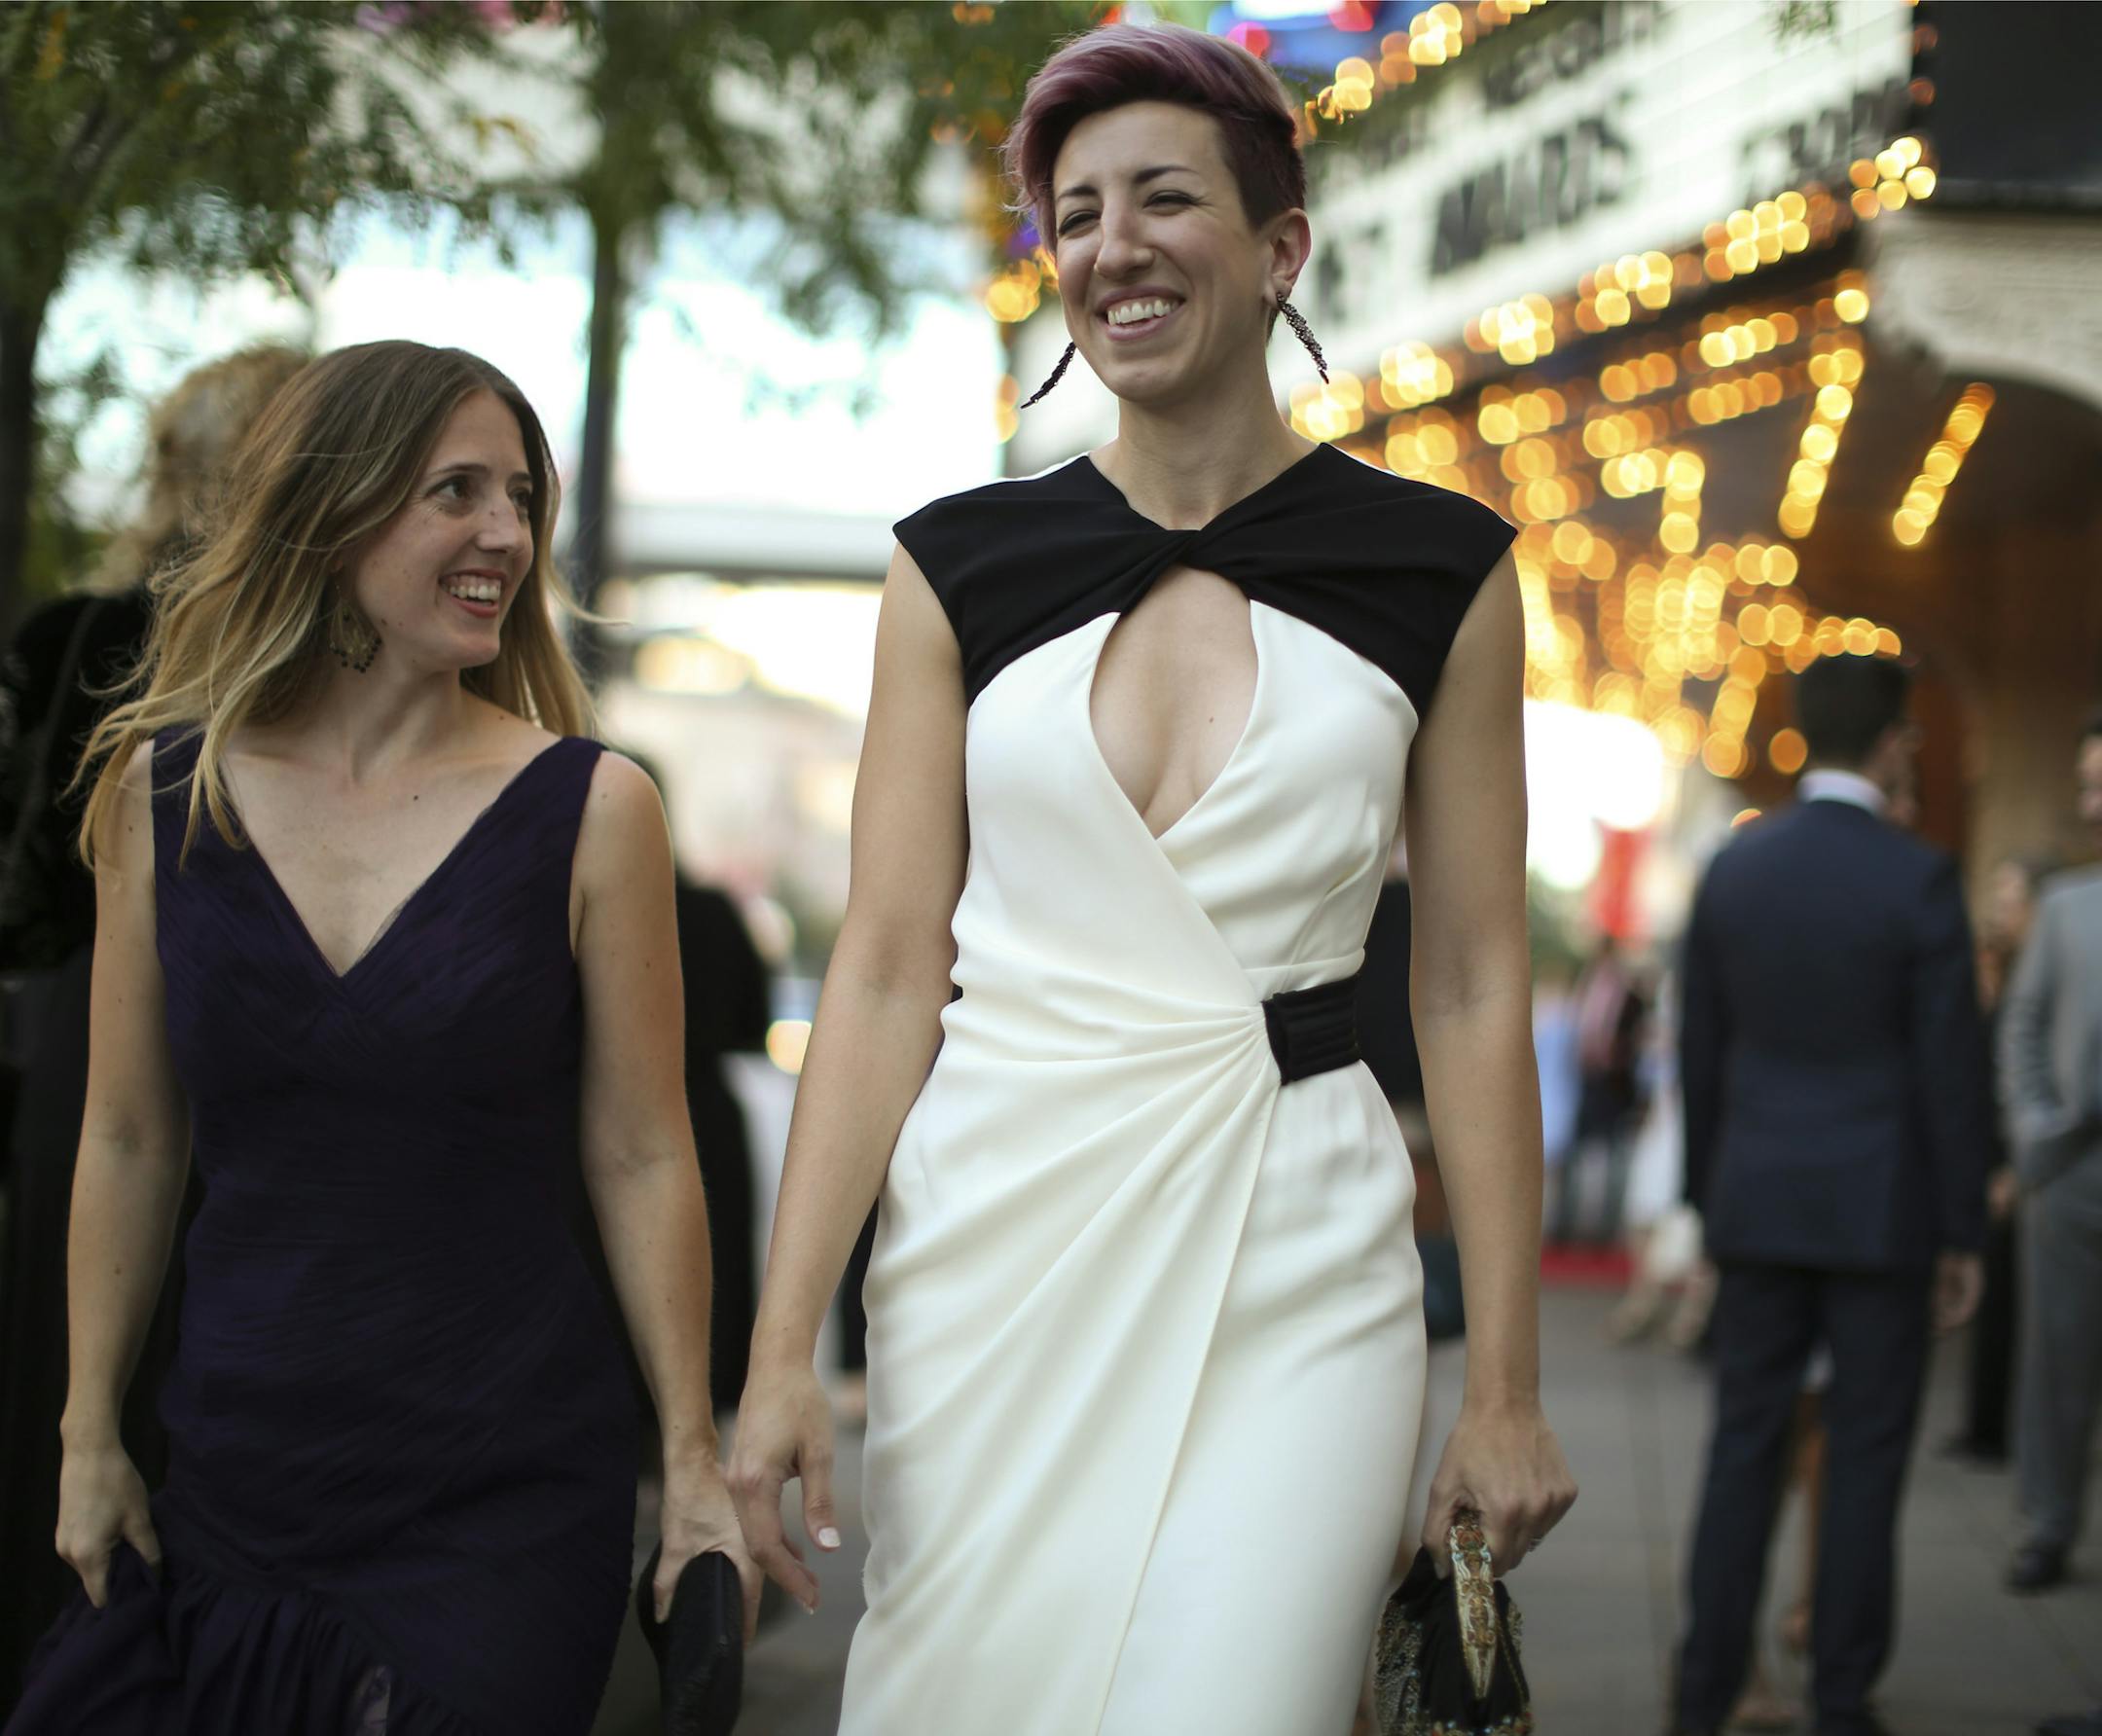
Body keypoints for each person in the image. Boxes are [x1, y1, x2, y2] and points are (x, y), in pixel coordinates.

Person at [728, 24, 1575, 1734]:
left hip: (1307, 1251)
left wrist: (1505, 1381)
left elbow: (1475, 985)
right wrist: (778, 1358)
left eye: (1164, 199)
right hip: (993, 1251)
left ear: (1280, 249)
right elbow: (886, 970)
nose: (1112, 245)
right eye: (1077, 212)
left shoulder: (1445, 570)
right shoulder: (949, 568)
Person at [6, 341, 754, 1735]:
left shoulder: (596, 811)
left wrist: (693, 1462)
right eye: (453, 491)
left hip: (506, 1500)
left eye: (520, 497)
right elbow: (128, 1133)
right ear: (333, 510)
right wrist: (90, 1432)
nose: (506, 536)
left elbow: (646, 1155)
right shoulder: (158, 799)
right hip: (233, 1475)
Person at [0, 344, 307, 1712]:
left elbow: (27, 888)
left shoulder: (69, 638)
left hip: (85, 1026)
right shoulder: (278, 652)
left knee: (78, 1358)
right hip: (205, 1021)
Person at [1671, 654, 1991, 1736]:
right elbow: (1951, 1068)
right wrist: (1960, 1229)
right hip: (1882, 1208)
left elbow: (1700, 1051)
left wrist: (1706, 1203)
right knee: (1863, 1452)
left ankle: (1705, 1681)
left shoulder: (1737, 871)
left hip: (1756, 1196)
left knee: (1742, 1445)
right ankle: (1842, 1694)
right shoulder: (1920, 878)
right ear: (1897, 740)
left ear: (1803, 734)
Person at [1999, 708, 2102, 1605]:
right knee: (2057, 1360)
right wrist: (2036, 1126)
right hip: (2072, 1171)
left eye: (2098, 783)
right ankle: (2048, 1523)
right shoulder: (2068, 907)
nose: (2089, 801)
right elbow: (2023, 1025)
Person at [1942, 854, 2051, 1467]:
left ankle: (2001, 1431)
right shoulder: (2003, 972)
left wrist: (2015, 1166)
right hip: (1993, 1155)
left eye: (2011, 898)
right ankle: (1983, 1425)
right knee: (1994, 1302)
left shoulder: (2045, 973)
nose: (2000, 911)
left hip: (2024, 1162)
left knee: (2015, 1306)